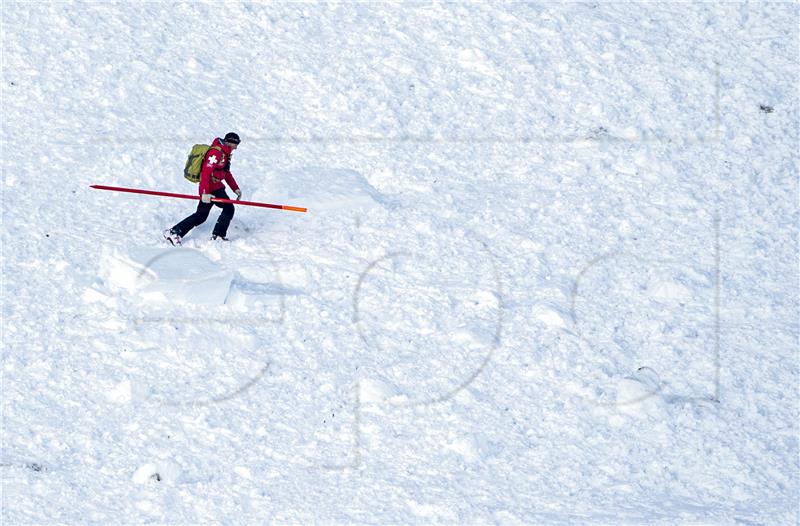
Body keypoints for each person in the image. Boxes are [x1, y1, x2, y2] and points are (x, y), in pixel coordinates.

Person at [164, 132, 243, 245]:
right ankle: (175, 232)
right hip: (210, 189)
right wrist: (204, 193)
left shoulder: (226, 154)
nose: (236, 147)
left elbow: (226, 173)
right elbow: (205, 173)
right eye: (236, 144)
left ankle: (175, 232)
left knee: (203, 215)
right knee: (225, 209)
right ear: (230, 142)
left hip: (217, 187)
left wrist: (235, 189)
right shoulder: (216, 153)